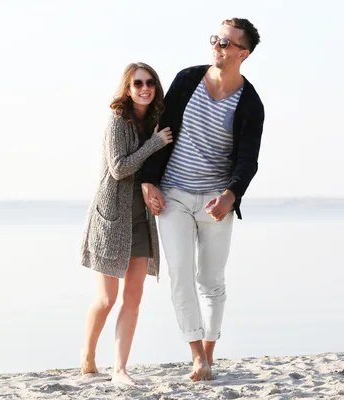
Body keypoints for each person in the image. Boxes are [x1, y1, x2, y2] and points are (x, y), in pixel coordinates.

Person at [140, 18, 265, 381]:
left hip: (216, 201)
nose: (218, 46)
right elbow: (159, 131)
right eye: (215, 39)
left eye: (226, 43)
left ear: (243, 53)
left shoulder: (250, 103)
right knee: (179, 275)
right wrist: (149, 181)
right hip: (174, 194)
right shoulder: (186, 80)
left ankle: (209, 351)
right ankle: (196, 355)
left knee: (210, 280)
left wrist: (230, 195)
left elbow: (247, 159)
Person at [79, 62, 173, 385]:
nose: (145, 88)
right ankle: (88, 356)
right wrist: (154, 144)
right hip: (111, 220)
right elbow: (119, 168)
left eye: (150, 82)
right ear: (127, 88)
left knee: (133, 296)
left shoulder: (156, 121)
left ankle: (120, 369)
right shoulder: (118, 120)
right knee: (107, 299)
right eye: (138, 83)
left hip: (142, 220)